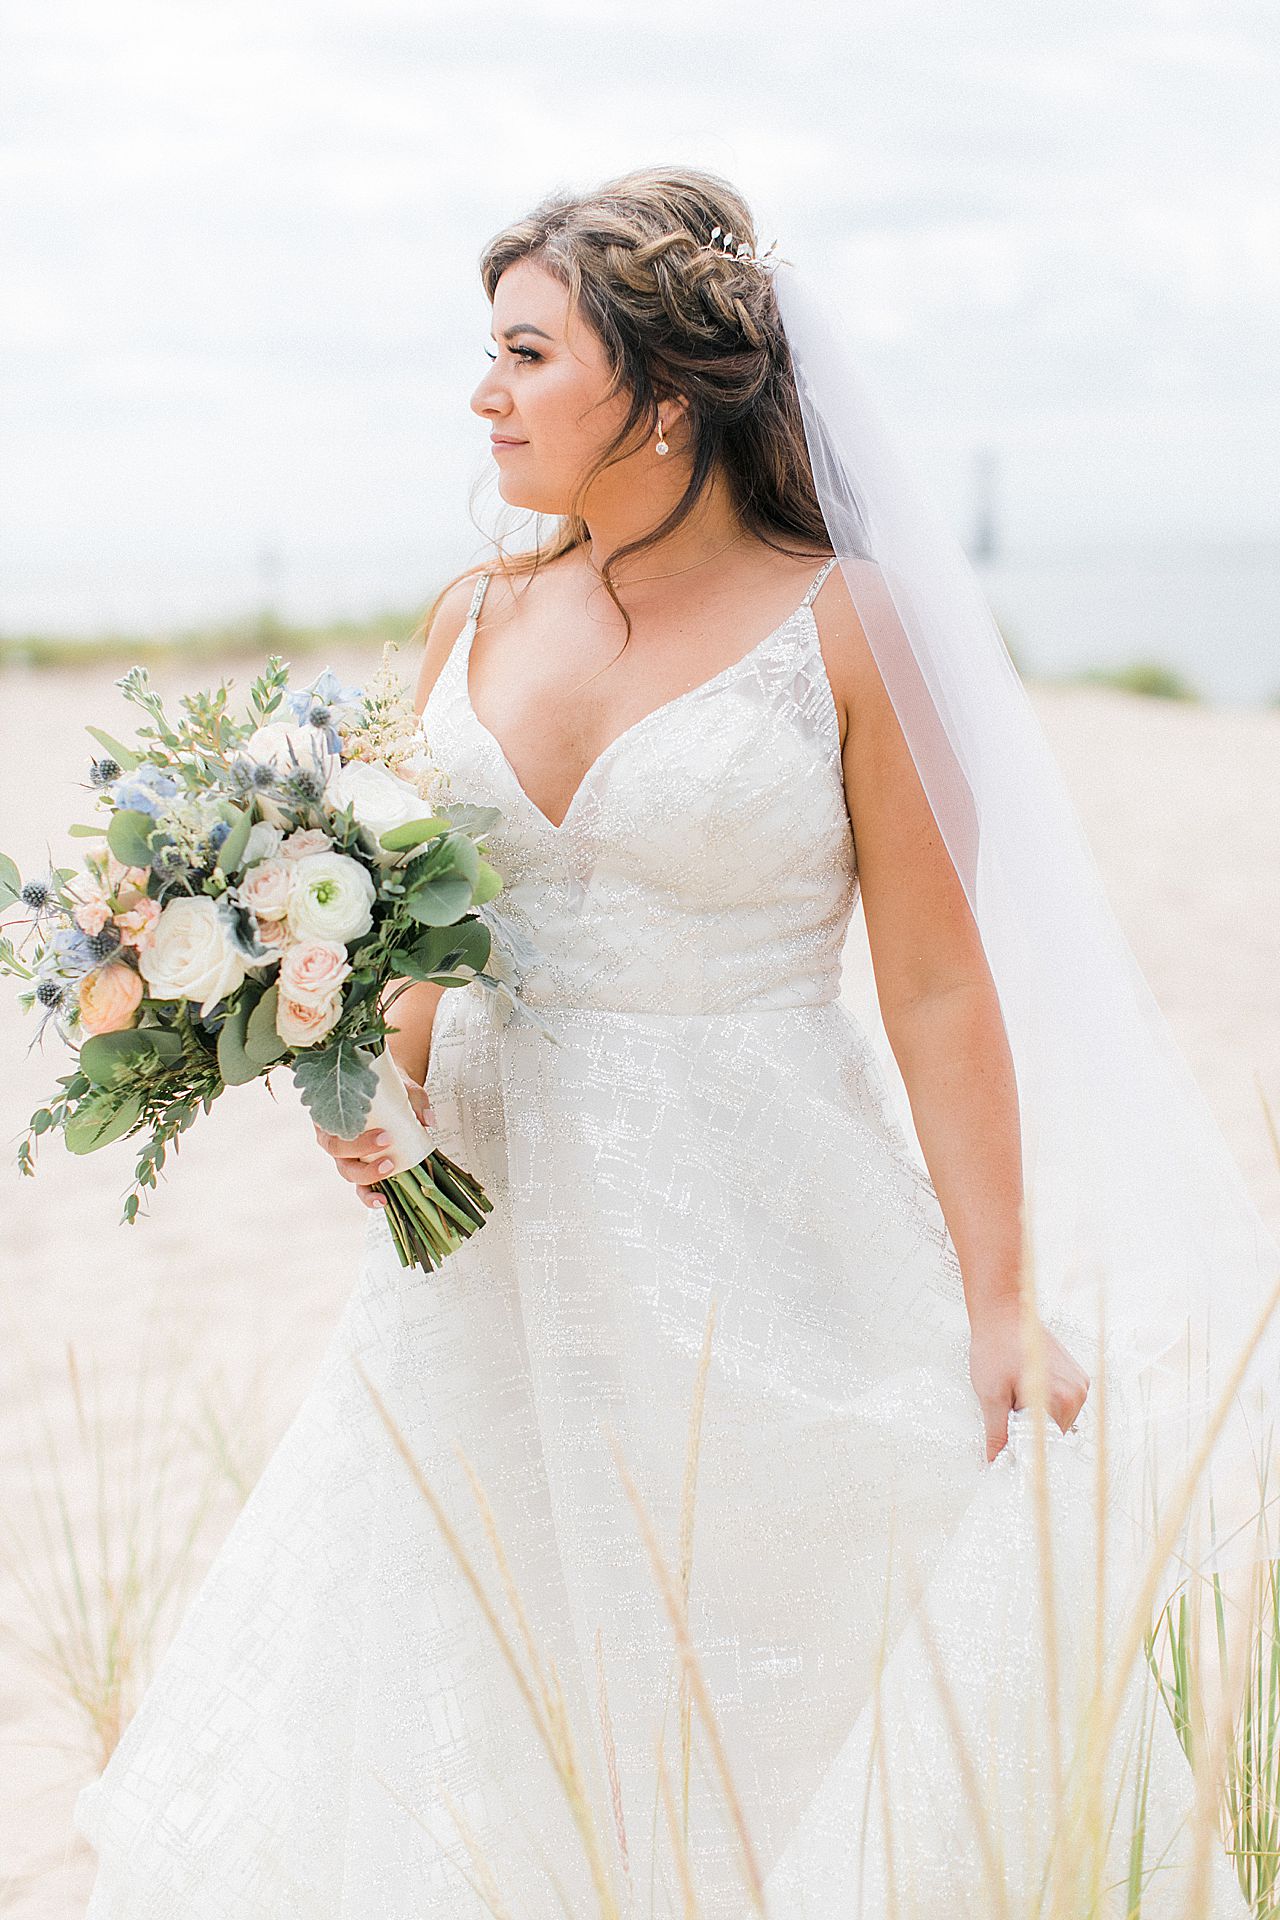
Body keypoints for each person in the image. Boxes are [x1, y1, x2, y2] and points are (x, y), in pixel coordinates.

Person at [75, 167, 1258, 1917]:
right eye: (489, 354)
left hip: (763, 1239)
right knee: (479, 1660)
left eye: (526, 353)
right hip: (480, 1257)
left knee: (785, 1662)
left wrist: (1000, 1300)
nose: (483, 392)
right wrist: (370, 1097)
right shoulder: (468, 618)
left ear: (667, 389)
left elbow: (936, 983)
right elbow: (400, 930)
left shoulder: (853, 627)